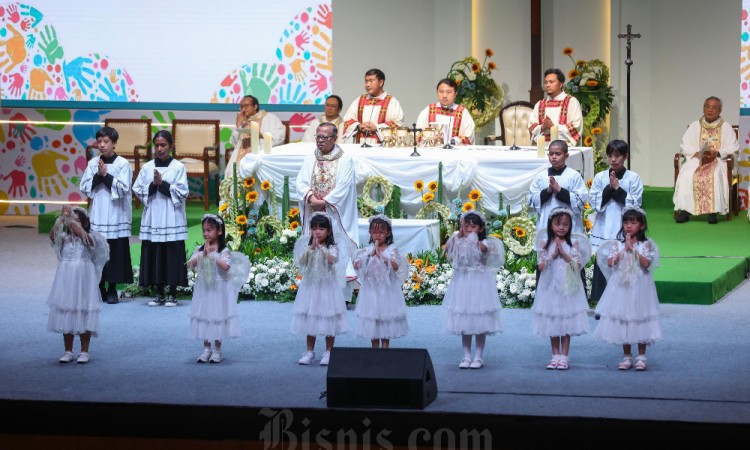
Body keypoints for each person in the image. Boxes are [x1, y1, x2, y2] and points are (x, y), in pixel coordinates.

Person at [593, 206, 661, 371]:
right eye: (626, 222)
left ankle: (641, 356)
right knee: (624, 318)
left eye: (633, 222)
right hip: (621, 288)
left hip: (640, 287)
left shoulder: (646, 245)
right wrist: (624, 249)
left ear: (642, 225)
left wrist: (634, 251)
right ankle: (627, 356)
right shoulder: (617, 244)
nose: (629, 226)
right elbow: (610, 263)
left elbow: (646, 265)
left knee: (640, 317)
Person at [296, 122, 359, 297]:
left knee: (337, 248)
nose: (320, 141)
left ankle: (341, 295)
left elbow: (344, 186)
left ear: (334, 138)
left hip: (334, 213)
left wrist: (324, 202)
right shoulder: (311, 158)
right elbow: (300, 182)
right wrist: (311, 198)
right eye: (318, 136)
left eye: (325, 137)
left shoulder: (345, 159)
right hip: (314, 212)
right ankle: (313, 291)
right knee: (314, 246)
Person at [133, 130, 189, 307]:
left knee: (171, 254)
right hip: (153, 216)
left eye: (163, 145)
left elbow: (182, 193)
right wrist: (153, 184)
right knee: (155, 253)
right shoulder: (147, 167)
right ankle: (159, 293)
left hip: (172, 216)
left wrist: (162, 183)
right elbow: (138, 190)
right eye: (156, 145)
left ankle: (172, 293)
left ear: (170, 146)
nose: (159, 149)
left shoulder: (178, 167)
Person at [47, 206, 109, 364]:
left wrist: (71, 221)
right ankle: (68, 351)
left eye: (77, 221)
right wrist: (61, 220)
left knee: (84, 309)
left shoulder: (92, 237)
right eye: (71, 221)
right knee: (67, 309)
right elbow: (52, 236)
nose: (72, 224)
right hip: (66, 278)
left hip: (83, 279)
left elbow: (85, 237)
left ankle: (84, 351)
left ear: (86, 222)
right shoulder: (64, 238)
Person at [443, 211, 504, 369]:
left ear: (481, 228)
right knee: (465, 320)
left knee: (479, 320)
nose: (470, 229)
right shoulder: (458, 240)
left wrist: (472, 238)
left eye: (473, 226)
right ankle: (466, 356)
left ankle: (478, 356)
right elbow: (447, 251)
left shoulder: (486, 242)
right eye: (466, 226)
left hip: (479, 284)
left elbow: (483, 250)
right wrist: (458, 235)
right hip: (463, 283)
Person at [79, 126, 133, 304]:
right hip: (99, 212)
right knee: (97, 251)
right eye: (99, 141)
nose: (101, 145)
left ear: (114, 143)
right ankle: (100, 287)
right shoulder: (93, 163)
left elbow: (124, 189)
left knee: (115, 251)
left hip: (116, 213)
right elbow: (85, 186)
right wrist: (98, 176)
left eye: (106, 141)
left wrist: (106, 176)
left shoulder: (122, 164)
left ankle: (112, 289)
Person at [532, 207, 591, 370]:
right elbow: (541, 267)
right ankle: (555, 355)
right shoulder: (545, 244)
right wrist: (552, 255)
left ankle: (564, 356)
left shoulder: (574, 243)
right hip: (550, 287)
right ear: (551, 225)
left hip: (568, 289)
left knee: (566, 322)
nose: (562, 227)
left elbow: (577, 266)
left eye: (565, 224)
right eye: (558, 224)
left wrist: (564, 254)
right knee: (553, 320)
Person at [187, 214, 250, 364]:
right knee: (205, 316)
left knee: (217, 317)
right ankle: (206, 348)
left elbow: (226, 267)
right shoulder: (200, 249)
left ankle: (217, 350)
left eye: (209, 230)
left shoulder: (223, 250)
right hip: (204, 291)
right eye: (204, 230)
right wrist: (203, 254)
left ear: (219, 231)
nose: (206, 234)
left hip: (218, 290)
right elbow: (191, 264)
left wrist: (213, 255)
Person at [588, 140, 643, 301]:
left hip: (623, 226)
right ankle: (600, 301)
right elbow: (594, 202)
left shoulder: (633, 178)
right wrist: (609, 188)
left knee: (624, 262)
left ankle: (624, 301)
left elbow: (636, 203)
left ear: (625, 156)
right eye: (610, 155)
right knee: (603, 261)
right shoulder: (600, 177)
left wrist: (618, 189)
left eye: (617, 156)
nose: (613, 159)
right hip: (604, 225)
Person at [291, 212, 349, 366]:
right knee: (311, 316)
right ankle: (310, 351)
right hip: (310, 287)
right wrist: (311, 248)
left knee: (328, 316)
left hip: (327, 287)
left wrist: (321, 249)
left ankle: (329, 351)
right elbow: (301, 261)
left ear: (329, 231)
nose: (317, 232)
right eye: (314, 228)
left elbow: (332, 260)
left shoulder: (333, 247)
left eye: (321, 229)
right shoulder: (308, 246)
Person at [673, 96, 739, 224]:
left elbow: (733, 146)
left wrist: (718, 152)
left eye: (714, 107)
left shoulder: (726, 127)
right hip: (697, 159)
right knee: (687, 174)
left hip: (718, 160)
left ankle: (712, 211)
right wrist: (696, 152)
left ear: (720, 110)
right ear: (703, 108)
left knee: (713, 175)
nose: (710, 110)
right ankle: (685, 211)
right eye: (707, 107)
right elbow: (684, 145)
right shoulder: (694, 126)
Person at [353, 214, 410, 348]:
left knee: (385, 320)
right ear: (370, 233)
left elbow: (395, 266)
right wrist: (369, 255)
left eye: (381, 232)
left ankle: (385, 350)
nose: (377, 235)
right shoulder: (367, 250)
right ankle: (375, 350)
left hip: (387, 292)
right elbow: (356, 264)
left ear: (388, 233)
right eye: (374, 232)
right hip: (371, 292)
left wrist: (381, 255)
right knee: (373, 320)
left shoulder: (392, 250)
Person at [528, 139, 588, 234]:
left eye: (557, 154)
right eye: (551, 154)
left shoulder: (574, 176)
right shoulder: (541, 176)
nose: (554, 157)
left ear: (566, 156)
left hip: (568, 225)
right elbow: (532, 199)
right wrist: (547, 191)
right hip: (546, 221)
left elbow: (580, 201)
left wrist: (560, 191)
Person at [224, 94, 287, 177]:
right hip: (242, 158)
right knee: (232, 173)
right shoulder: (243, 122)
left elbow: (280, 135)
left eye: (246, 106)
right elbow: (234, 143)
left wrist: (262, 136)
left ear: (255, 106)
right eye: (241, 107)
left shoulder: (269, 117)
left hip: (262, 156)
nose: (243, 109)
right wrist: (238, 125)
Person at [342, 68, 404, 145]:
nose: (368, 85)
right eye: (366, 81)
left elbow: (397, 123)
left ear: (381, 82)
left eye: (371, 81)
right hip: (360, 145)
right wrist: (358, 125)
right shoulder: (360, 100)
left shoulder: (391, 102)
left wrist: (377, 127)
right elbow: (347, 120)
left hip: (382, 147)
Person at [529, 68, 583, 146]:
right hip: (542, 148)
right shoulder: (540, 104)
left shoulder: (571, 102)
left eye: (551, 82)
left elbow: (576, 127)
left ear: (560, 84)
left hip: (564, 149)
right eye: (546, 82)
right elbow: (531, 127)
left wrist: (553, 127)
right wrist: (542, 127)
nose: (547, 85)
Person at [415, 78, 475, 145]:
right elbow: (418, 133)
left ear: (455, 94)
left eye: (448, 92)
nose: (444, 96)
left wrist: (451, 141)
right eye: (441, 92)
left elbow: (469, 135)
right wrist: (431, 139)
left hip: (454, 153)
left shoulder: (462, 112)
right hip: (432, 152)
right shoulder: (429, 110)